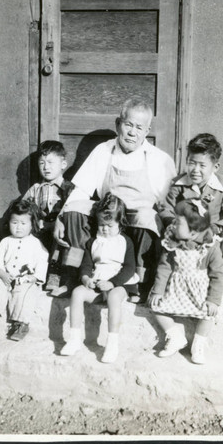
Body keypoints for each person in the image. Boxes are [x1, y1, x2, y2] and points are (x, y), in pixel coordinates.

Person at [52, 97, 176, 300]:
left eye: (139, 127)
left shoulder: (158, 159)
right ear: (118, 124)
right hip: (107, 215)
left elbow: (167, 203)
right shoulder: (104, 150)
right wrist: (62, 215)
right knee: (74, 210)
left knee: (148, 218)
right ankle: (75, 276)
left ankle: (138, 286)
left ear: (147, 130)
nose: (132, 132)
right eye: (128, 125)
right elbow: (82, 189)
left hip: (136, 222)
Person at [159, 133, 223, 298]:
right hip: (185, 235)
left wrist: (215, 228)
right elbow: (165, 209)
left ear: (215, 167)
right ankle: (169, 283)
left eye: (202, 165)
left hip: (212, 235)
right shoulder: (178, 185)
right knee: (165, 235)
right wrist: (174, 225)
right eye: (191, 163)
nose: (195, 170)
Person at [60, 193, 139, 363]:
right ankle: (74, 339)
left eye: (110, 225)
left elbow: (129, 267)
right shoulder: (93, 242)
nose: (104, 229)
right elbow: (86, 265)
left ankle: (112, 344)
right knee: (77, 293)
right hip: (98, 281)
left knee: (114, 296)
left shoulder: (125, 242)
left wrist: (112, 283)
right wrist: (86, 278)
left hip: (119, 282)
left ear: (120, 222)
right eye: (102, 224)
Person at [149, 200, 223, 364]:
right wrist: (158, 291)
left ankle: (198, 344)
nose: (173, 224)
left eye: (178, 223)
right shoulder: (172, 242)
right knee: (155, 305)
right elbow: (164, 267)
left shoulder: (209, 246)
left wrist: (213, 299)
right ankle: (175, 336)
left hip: (200, 289)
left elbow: (218, 274)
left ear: (193, 233)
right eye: (175, 220)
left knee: (209, 314)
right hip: (177, 287)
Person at [0, 200, 49, 341]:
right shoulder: (5, 242)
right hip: (7, 278)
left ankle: (21, 323)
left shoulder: (35, 244)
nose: (18, 228)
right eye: (14, 223)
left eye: (23, 224)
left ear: (32, 225)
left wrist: (34, 277)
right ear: (9, 223)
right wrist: (1, 273)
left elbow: (42, 260)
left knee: (26, 293)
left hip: (25, 280)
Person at [23, 140, 75, 253]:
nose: (46, 167)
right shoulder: (36, 189)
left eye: (50, 162)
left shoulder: (69, 188)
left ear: (63, 164)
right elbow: (23, 208)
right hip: (40, 232)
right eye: (42, 163)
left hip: (60, 230)